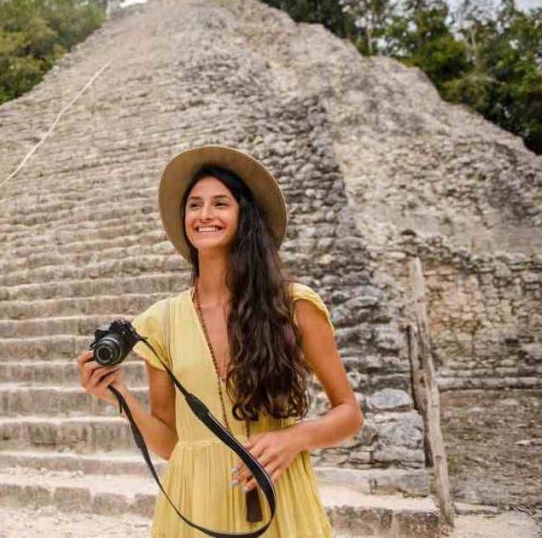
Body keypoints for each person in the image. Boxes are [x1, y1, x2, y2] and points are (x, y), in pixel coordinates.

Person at [77, 145, 364, 537]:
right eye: (194, 205)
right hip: (196, 501)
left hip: (278, 497)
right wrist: (120, 397)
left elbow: (349, 413)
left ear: (245, 217)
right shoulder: (161, 322)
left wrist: (292, 439)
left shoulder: (293, 305)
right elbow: (171, 444)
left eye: (220, 204)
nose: (205, 215)